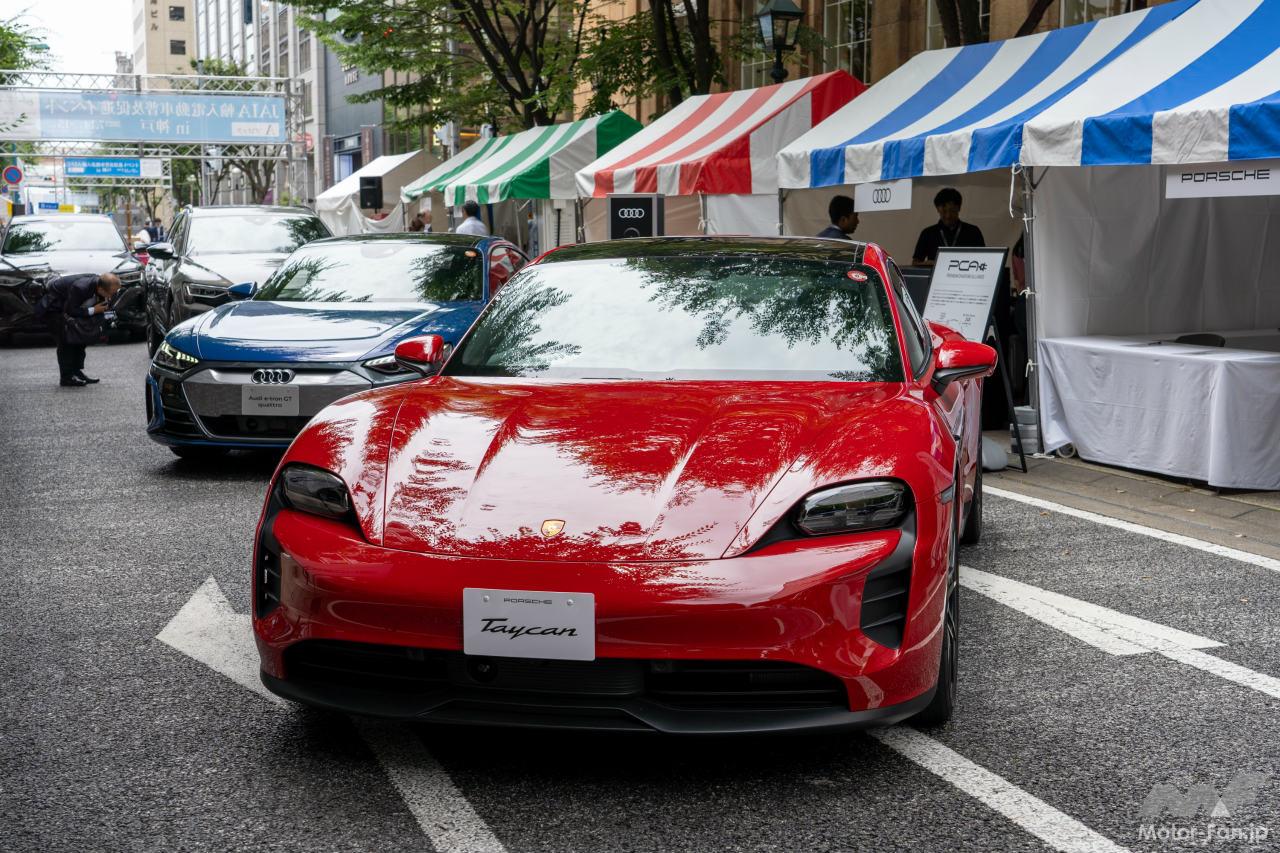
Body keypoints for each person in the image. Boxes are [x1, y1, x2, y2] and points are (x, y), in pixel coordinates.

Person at [38, 272, 121, 387]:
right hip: (55, 309)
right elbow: (71, 310)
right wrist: (93, 310)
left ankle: (76, 372)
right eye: (110, 293)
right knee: (66, 342)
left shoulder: (101, 284)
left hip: (73, 307)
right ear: (101, 289)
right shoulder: (80, 288)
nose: (112, 296)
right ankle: (66, 377)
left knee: (80, 339)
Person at [912, 187, 984, 265]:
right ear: (937, 209)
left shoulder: (973, 232)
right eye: (944, 211)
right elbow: (915, 262)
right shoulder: (928, 233)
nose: (948, 216)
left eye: (952, 211)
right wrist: (929, 264)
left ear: (959, 208)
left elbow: (984, 259)